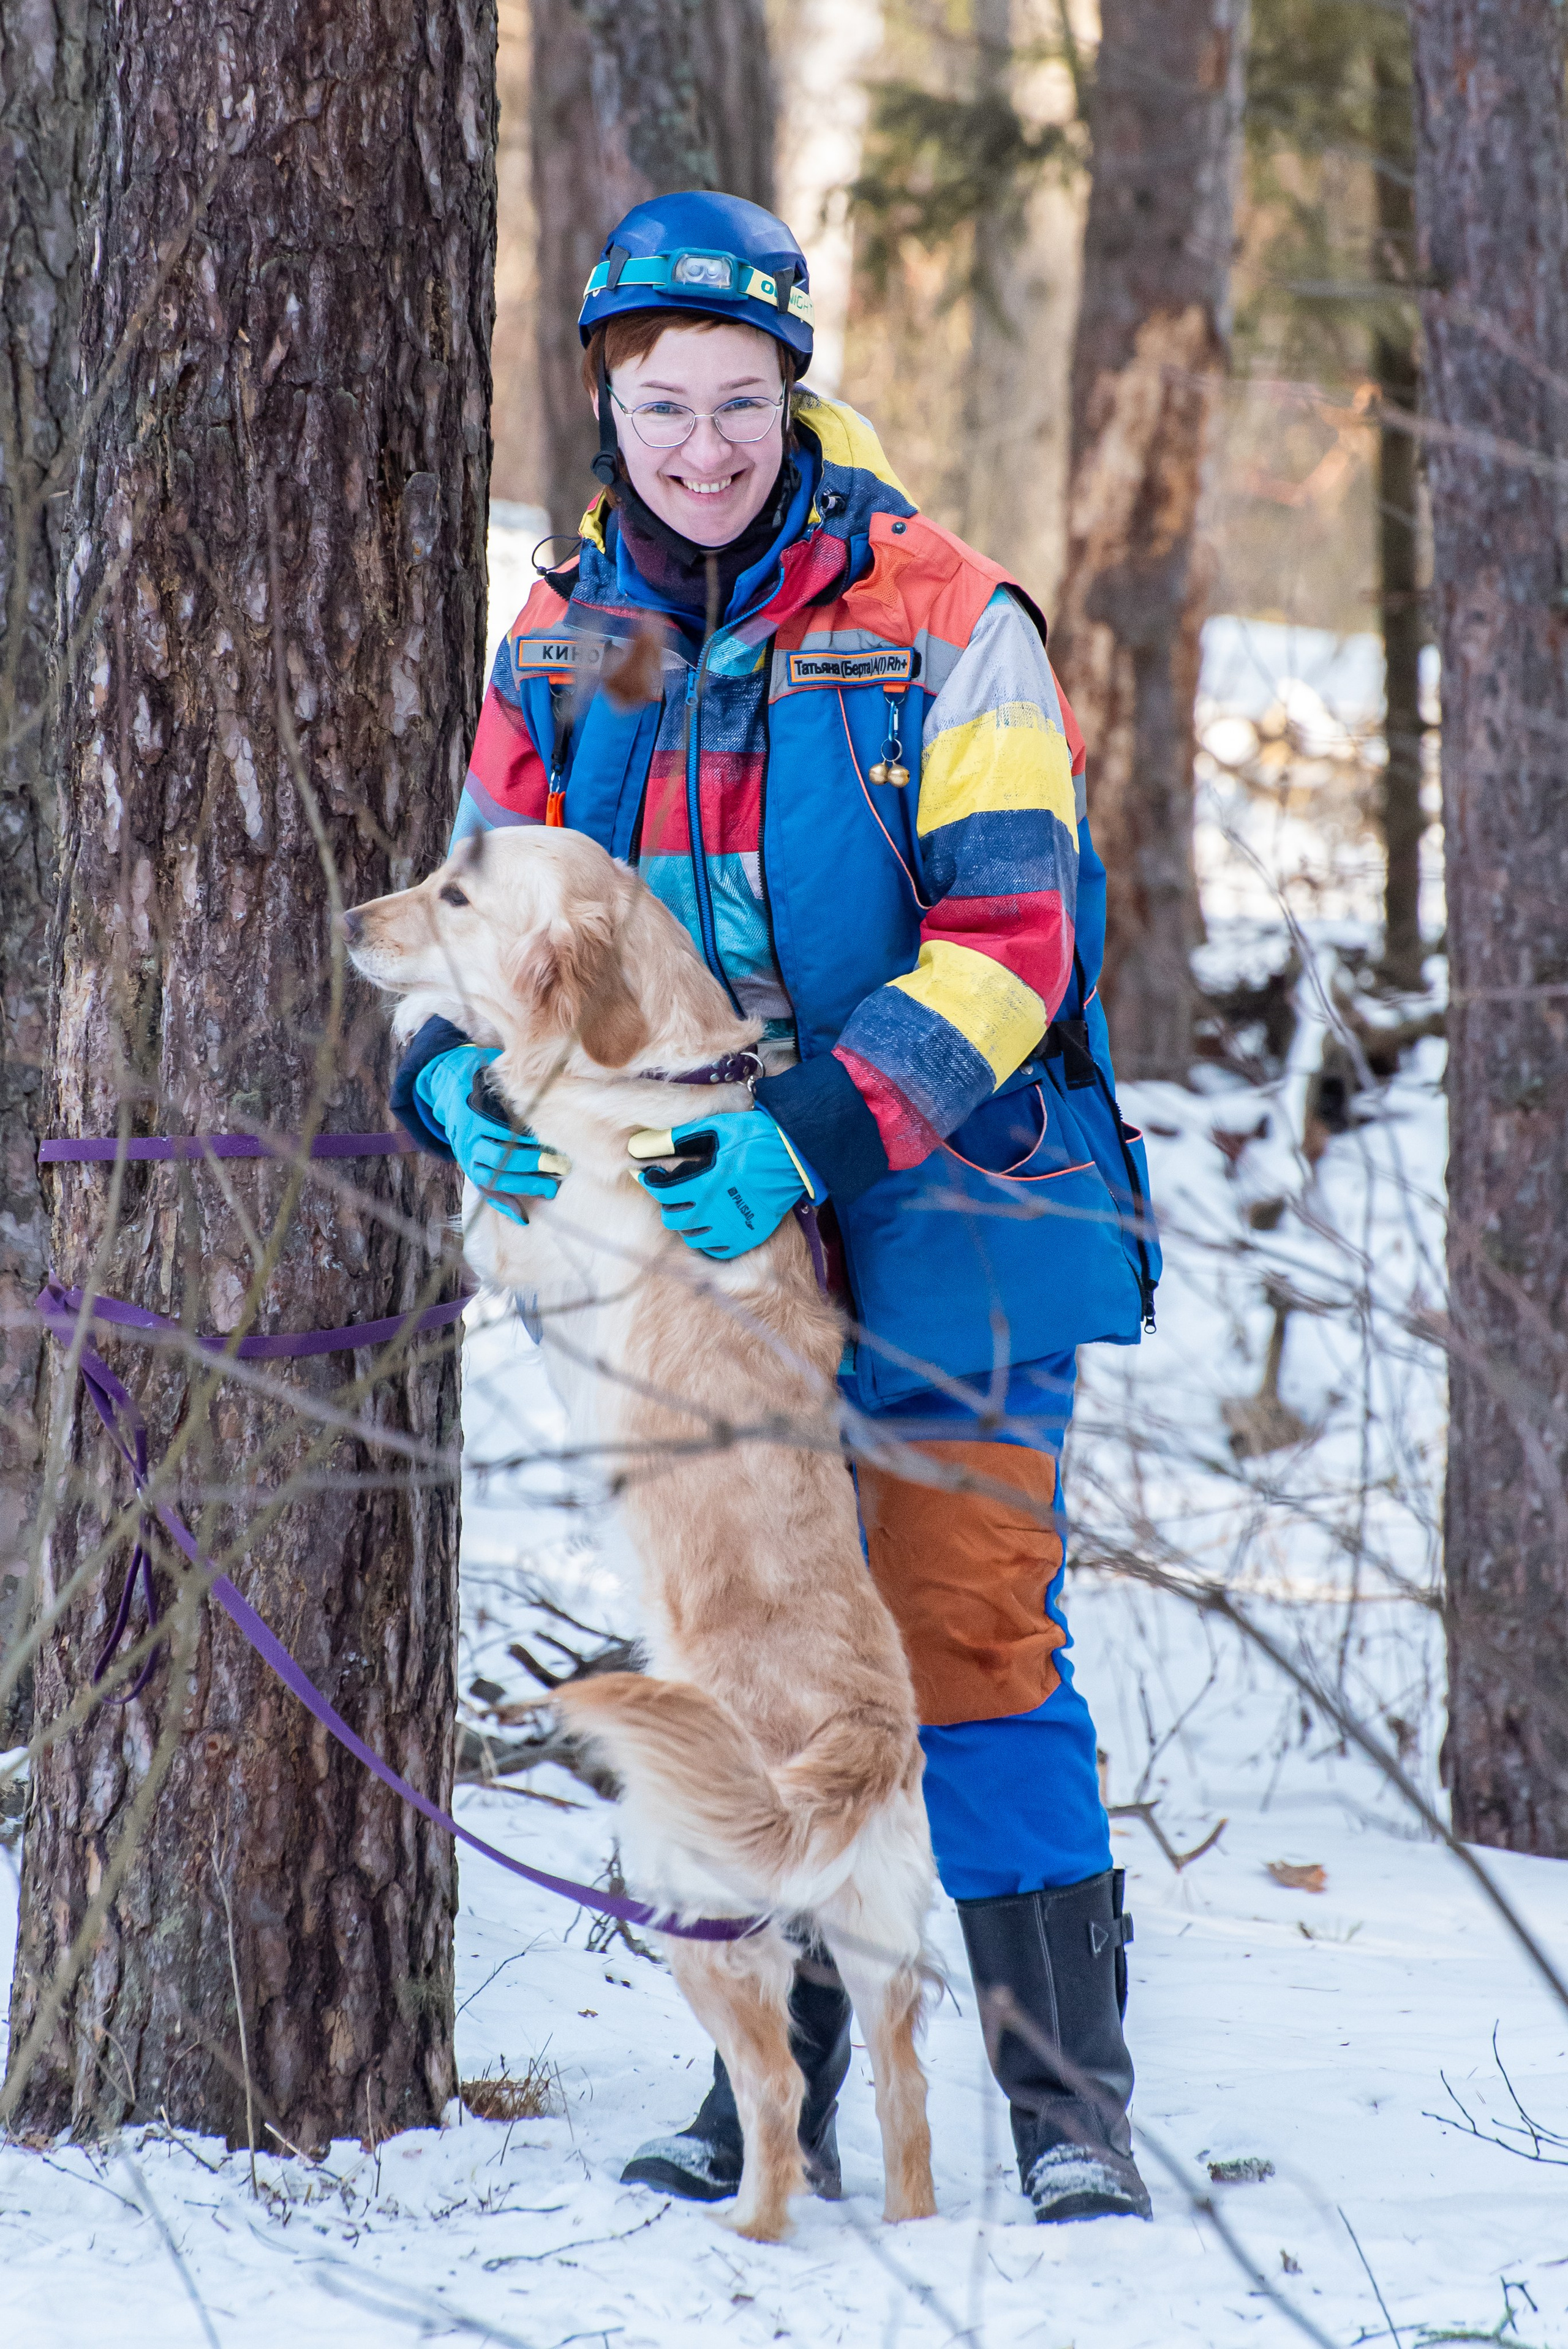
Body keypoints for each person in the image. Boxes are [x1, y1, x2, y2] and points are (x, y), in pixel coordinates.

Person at [391, 191, 1162, 2225]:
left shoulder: (939, 614)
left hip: (955, 1171)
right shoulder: (567, 637)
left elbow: (1014, 941)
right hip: (687, 1208)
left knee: (957, 1622)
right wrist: (449, 1079)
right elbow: (477, 910)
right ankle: (775, 2084)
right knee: (744, 1632)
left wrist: (813, 1132)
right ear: (607, 398)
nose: (706, 444)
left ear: (795, 393)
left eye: (744, 400)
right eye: (664, 403)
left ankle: (1068, 2102)